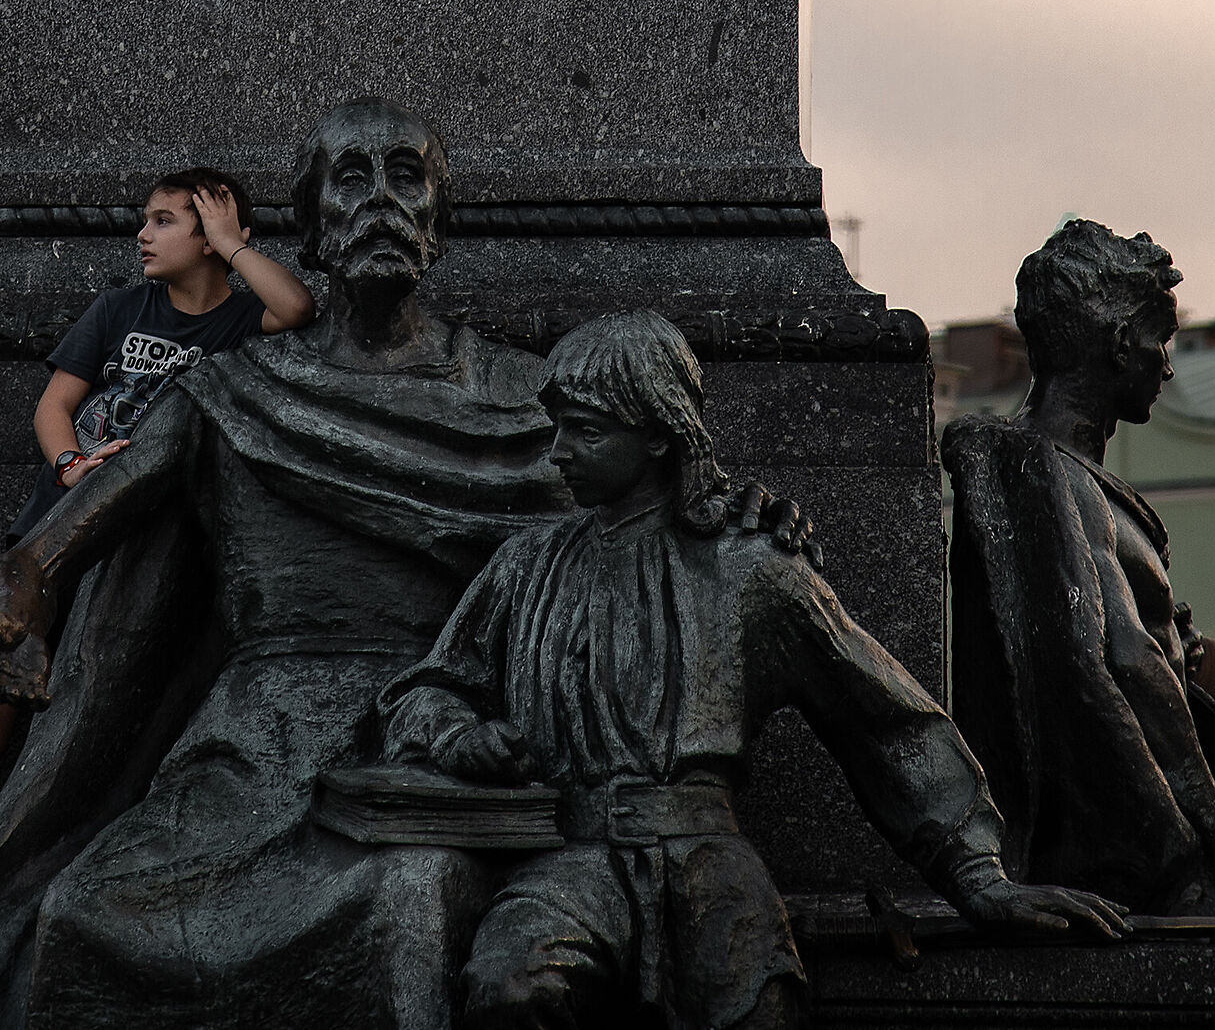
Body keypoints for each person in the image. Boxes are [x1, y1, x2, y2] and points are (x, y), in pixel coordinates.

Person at [0, 99, 570, 1030]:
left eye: (406, 177)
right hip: (250, 750)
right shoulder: (228, 391)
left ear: (439, 222)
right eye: (351, 179)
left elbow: (634, 514)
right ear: (313, 227)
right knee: (83, 915)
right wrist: (18, 606)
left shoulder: (525, 394)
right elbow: (47, 547)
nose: (380, 201)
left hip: (429, 729)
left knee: (411, 898)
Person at [381, 312, 1129, 1030]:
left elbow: (885, 720)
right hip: (569, 859)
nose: (558, 453)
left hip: (708, 859)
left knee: (760, 1002)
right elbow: (426, 690)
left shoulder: (752, 569)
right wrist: (458, 737)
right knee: (508, 988)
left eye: (586, 431)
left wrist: (979, 877)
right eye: (559, 429)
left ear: (657, 436)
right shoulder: (527, 567)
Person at [0, 167, 315, 889]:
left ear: (211, 235)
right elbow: (52, 406)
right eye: (146, 218)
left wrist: (231, 242)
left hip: (150, 542)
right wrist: (69, 464)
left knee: (91, 691)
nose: (143, 233)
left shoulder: (232, 322)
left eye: (164, 220)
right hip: (64, 515)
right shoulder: (120, 308)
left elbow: (297, 306)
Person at [944, 220, 1215, 918]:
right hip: (1144, 856)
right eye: (1158, 340)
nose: (1167, 365)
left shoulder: (1070, 479)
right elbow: (1124, 657)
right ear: (1117, 345)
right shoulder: (1048, 472)